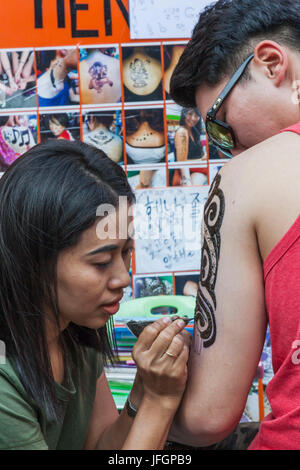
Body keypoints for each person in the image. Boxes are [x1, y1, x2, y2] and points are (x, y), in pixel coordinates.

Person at [168, 0, 300, 450]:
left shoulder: (248, 176)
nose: (232, 150)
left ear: (270, 63)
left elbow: (208, 416)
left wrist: (145, 394)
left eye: (222, 128)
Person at [0, 139, 191, 450]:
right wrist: (161, 400)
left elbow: (101, 445)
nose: (123, 279)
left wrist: (143, 390)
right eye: (101, 262)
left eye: (126, 252)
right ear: (34, 261)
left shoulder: (74, 333)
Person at [174, 107, 207, 186]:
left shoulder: (194, 131)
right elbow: (182, 162)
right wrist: (186, 182)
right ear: (184, 114)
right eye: (190, 114)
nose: (193, 118)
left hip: (198, 170)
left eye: (197, 115)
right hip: (187, 173)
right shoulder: (182, 132)